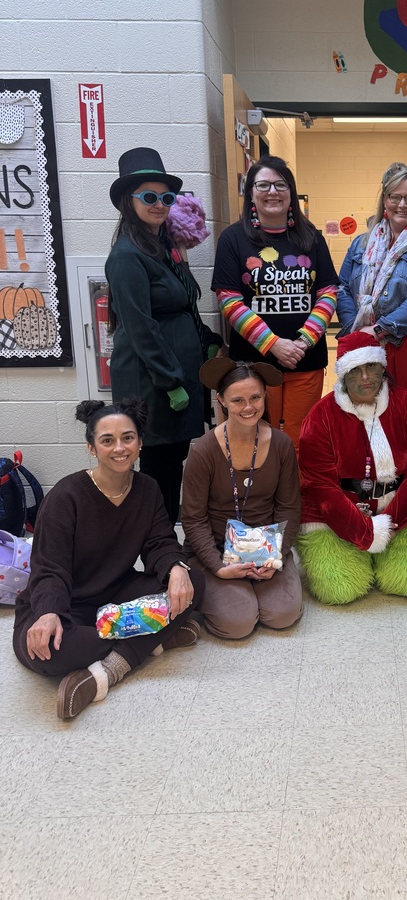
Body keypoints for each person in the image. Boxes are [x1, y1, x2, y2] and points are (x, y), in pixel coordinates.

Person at [12, 399, 204, 721]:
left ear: (140, 443)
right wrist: (47, 614)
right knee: (47, 652)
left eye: (128, 438)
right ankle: (153, 640)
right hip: (65, 605)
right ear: (91, 447)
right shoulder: (65, 496)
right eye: (107, 440)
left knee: (193, 581)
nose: (119, 448)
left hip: (117, 598)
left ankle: (108, 671)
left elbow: (159, 542)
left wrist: (175, 568)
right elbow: (49, 569)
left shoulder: (148, 489)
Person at [106, 147, 220, 526]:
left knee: (175, 462)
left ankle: (166, 546)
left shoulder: (163, 247)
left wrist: (208, 342)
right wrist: (171, 382)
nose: (159, 205)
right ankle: (158, 549)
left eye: (166, 197)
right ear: (129, 200)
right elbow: (140, 327)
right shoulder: (126, 256)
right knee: (159, 469)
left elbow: (186, 304)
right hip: (155, 383)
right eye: (149, 197)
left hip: (181, 375)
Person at [297, 331, 407, 604]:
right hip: (336, 516)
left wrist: (388, 525)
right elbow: (321, 486)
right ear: (342, 375)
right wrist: (363, 533)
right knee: (341, 590)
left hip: (400, 509)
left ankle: (378, 556)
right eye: (355, 370)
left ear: (383, 367)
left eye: (371, 367)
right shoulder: (320, 417)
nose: (365, 378)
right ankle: (363, 555)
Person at [212, 156, 338, 449]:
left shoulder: (312, 238)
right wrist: (273, 344)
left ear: (291, 192)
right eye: (264, 185)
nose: (273, 192)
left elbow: (328, 293)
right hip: (253, 363)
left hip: (305, 360)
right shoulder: (233, 239)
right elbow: (229, 301)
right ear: (251, 193)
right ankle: (259, 495)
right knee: (257, 434)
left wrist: (303, 342)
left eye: (281, 185)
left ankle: (295, 496)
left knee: (301, 438)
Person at [180, 357, 303, 638]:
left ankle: (255, 587)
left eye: (255, 397)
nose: (248, 407)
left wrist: (276, 559)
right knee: (238, 624)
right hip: (215, 548)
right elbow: (193, 518)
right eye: (238, 400)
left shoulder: (281, 444)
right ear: (222, 400)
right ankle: (223, 589)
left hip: (267, 547)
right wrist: (218, 567)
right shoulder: (204, 451)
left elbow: (289, 508)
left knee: (283, 615)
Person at [337, 162, 407, 422]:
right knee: (365, 411)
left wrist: (379, 329)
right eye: (395, 197)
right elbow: (342, 287)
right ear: (384, 200)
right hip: (363, 342)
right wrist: (353, 329)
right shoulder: (361, 243)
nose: (402, 204)